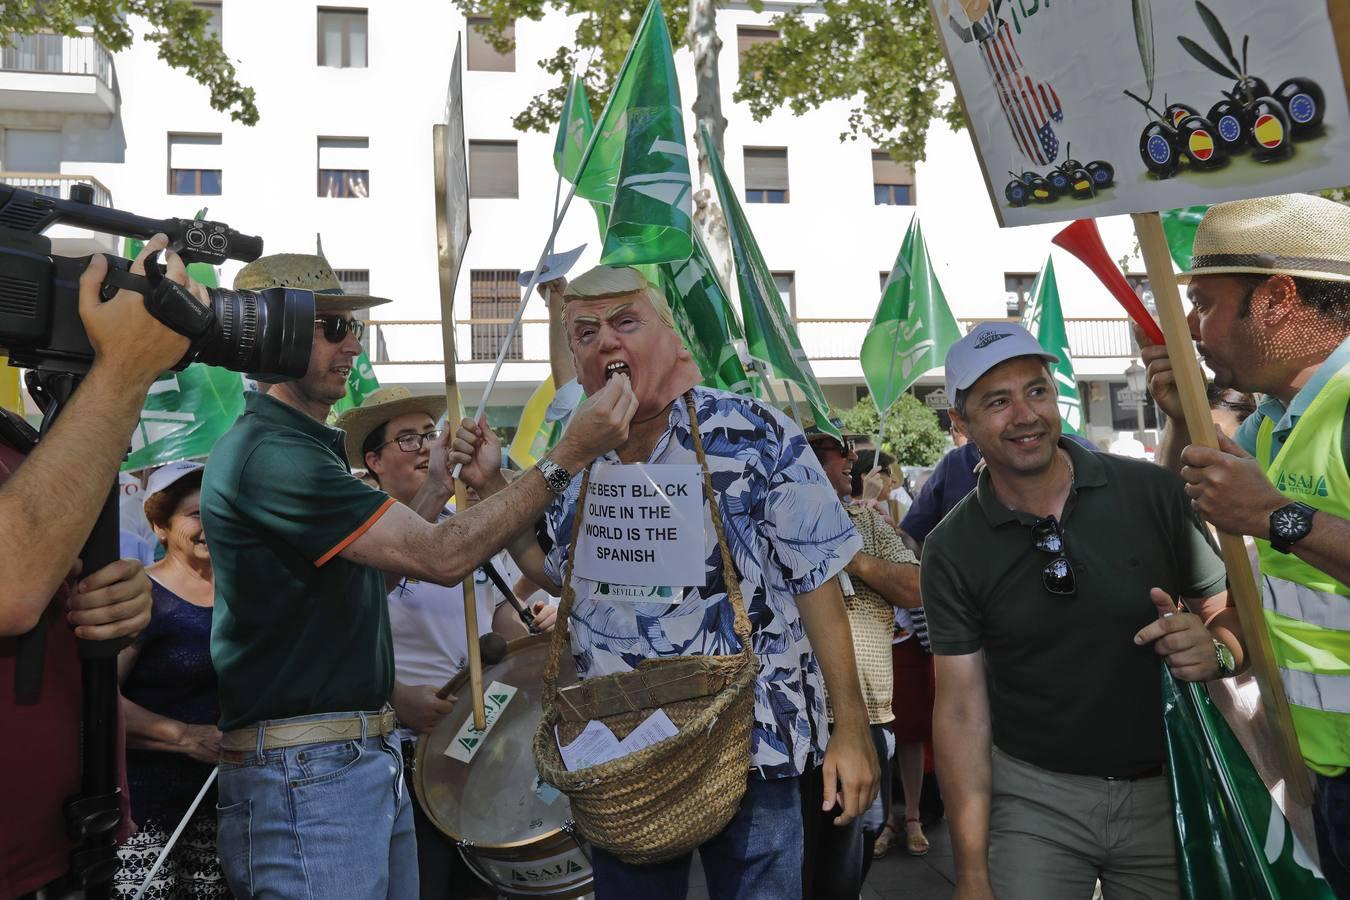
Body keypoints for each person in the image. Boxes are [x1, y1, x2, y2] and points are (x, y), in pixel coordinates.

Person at [199, 254, 634, 899]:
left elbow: (366, 582)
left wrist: (438, 488)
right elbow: (439, 558)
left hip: (347, 765)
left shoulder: (296, 448)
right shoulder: (273, 453)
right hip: (310, 772)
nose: (352, 343)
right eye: (332, 328)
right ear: (271, 336)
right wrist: (569, 453)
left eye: (353, 326)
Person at [452, 264, 879, 900]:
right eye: (586, 331)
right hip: (623, 752)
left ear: (671, 340)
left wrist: (852, 728)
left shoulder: (752, 432)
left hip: (751, 739)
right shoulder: (577, 454)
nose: (606, 343)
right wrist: (490, 485)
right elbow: (558, 575)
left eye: (627, 322)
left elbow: (818, 583)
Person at [924, 322, 1248, 900]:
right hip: (1032, 800)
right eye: (997, 401)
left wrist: (1219, 649)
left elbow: (1227, 612)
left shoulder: (1151, 491)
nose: (1025, 415)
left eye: (1037, 391)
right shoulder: (951, 547)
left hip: (1169, 789)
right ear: (960, 425)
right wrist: (971, 871)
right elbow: (960, 712)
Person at [1142, 194, 1350, 896]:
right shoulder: (1272, 426)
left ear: (1279, 298)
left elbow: (1271, 518)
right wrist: (1183, 420)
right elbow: (1225, 511)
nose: (1192, 328)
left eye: (1203, 302)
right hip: (1327, 777)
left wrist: (1280, 517)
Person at [1, 235, 207, 899]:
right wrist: (122, 370)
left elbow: (37, 579)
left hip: (62, 849)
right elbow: (11, 587)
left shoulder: (10, 440)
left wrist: (112, 599)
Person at [335, 385, 557, 900]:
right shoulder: (355, 536)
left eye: (428, 436)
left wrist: (531, 641)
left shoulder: (466, 530)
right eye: (407, 439)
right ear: (374, 460)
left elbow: (502, 620)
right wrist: (395, 695)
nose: (424, 448)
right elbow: (341, 631)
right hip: (403, 754)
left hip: (483, 745)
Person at [802, 429, 922, 897]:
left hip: (872, 715)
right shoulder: (768, 521)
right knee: (815, 847)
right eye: (838, 453)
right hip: (803, 717)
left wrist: (856, 562)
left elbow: (917, 588)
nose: (852, 460)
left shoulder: (867, 524)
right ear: (806, 464)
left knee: (865, 830)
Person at [113, 461, 227, 899]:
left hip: (222, 805)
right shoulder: (139, 597)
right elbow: (97, 702)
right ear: (160, 527)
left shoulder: (246, 596)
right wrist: (185, 737)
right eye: (197, 514)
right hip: (145, 809)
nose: (210, 524)